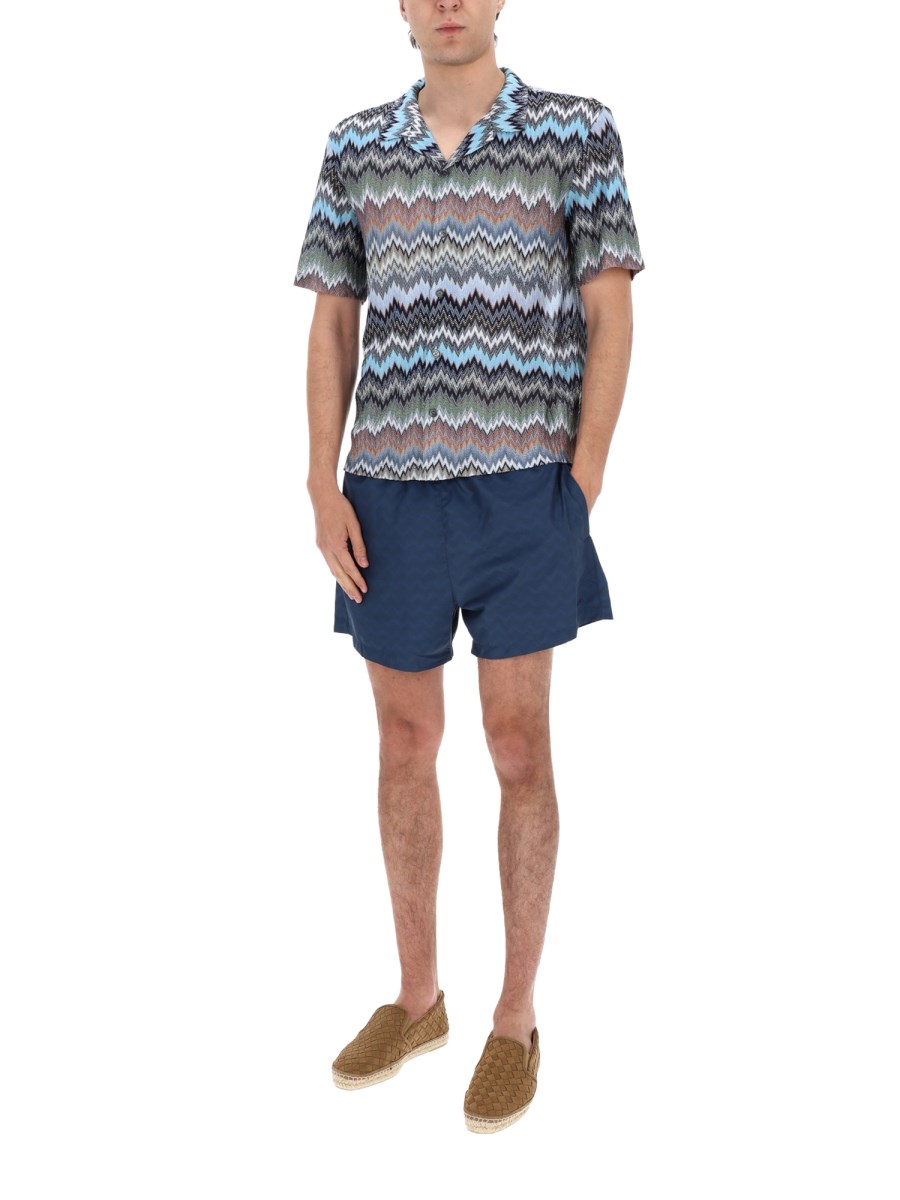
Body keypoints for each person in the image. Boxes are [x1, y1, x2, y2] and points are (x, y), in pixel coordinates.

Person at [292, 0, 645, 1134]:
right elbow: (332, 325)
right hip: (387, 494)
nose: (448, 1)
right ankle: (417, 999)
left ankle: (516, 1016)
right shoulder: (355, 145)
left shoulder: (577, 130)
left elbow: (610, 311)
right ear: (400, 6)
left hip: (525, 490)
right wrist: (321, 483)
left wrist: (582, 481)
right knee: (404, 742)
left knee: (517, 743)